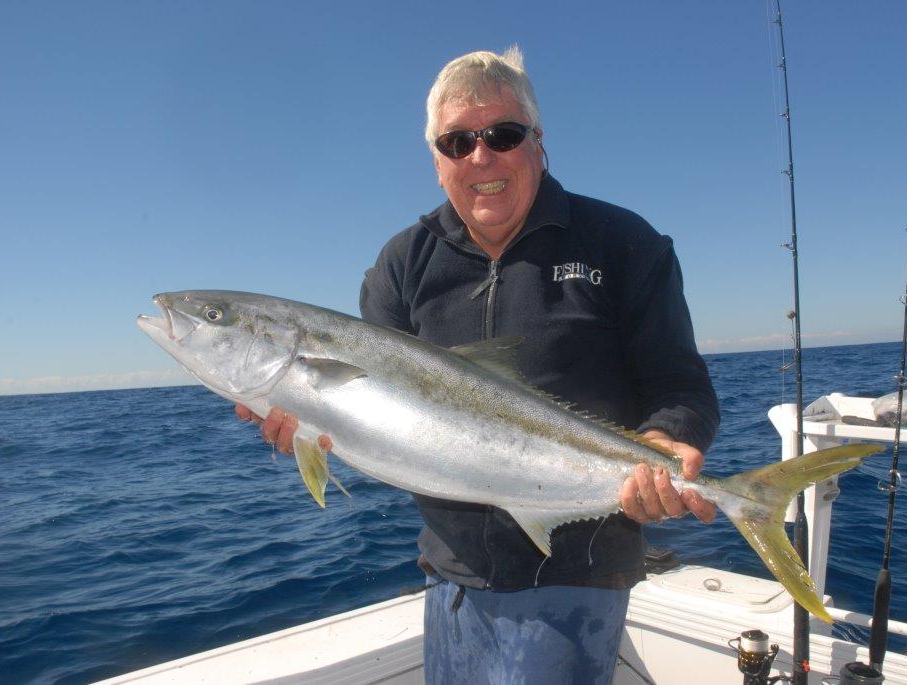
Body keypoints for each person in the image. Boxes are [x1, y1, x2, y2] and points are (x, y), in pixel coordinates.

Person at [236, 46, 719, 684]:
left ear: (538, 144)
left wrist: (667, 438)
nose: (481, 157)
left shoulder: (623, 243)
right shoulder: (403, 264)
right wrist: (306, 428)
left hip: (581, 573)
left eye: (502, 135)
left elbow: (680, 384)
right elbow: (375, 417)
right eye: (457, 142)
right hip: (451, 576)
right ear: (436, 162)